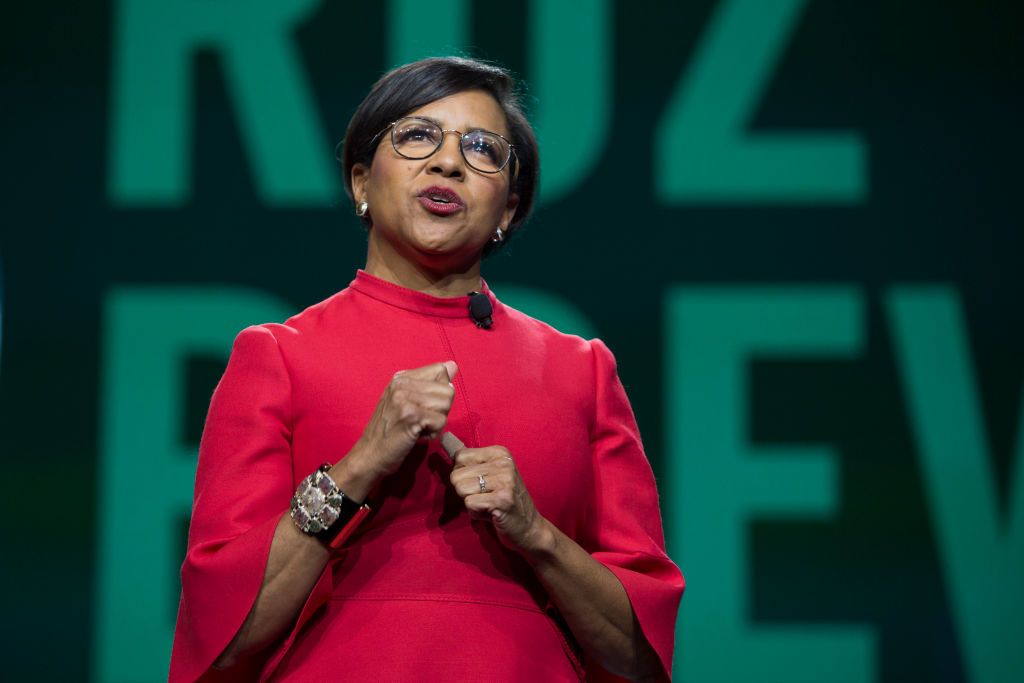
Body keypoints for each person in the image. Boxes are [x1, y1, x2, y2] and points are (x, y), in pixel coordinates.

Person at [169, 56, 684, 682]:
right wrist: (359, 467)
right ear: (361, 180)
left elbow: (641, 658)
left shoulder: (583, 372)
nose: (447, 162)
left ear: (509, 210)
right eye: (416, 137)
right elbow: (224, 635)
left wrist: (536, 534)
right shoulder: (280, 355)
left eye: (481, 149)